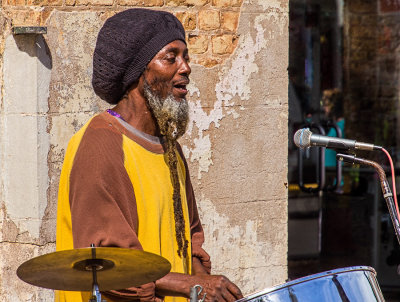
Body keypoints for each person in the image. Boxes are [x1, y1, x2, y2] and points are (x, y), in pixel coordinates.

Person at [55, 8, 243, 302]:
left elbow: (189, 238)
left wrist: (204, 283)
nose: (186, 68)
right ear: (137, 72)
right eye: (171, 57)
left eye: (186, 57)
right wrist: (188, 286)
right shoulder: (99, 144)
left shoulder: (171, 149)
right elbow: (109, 267)